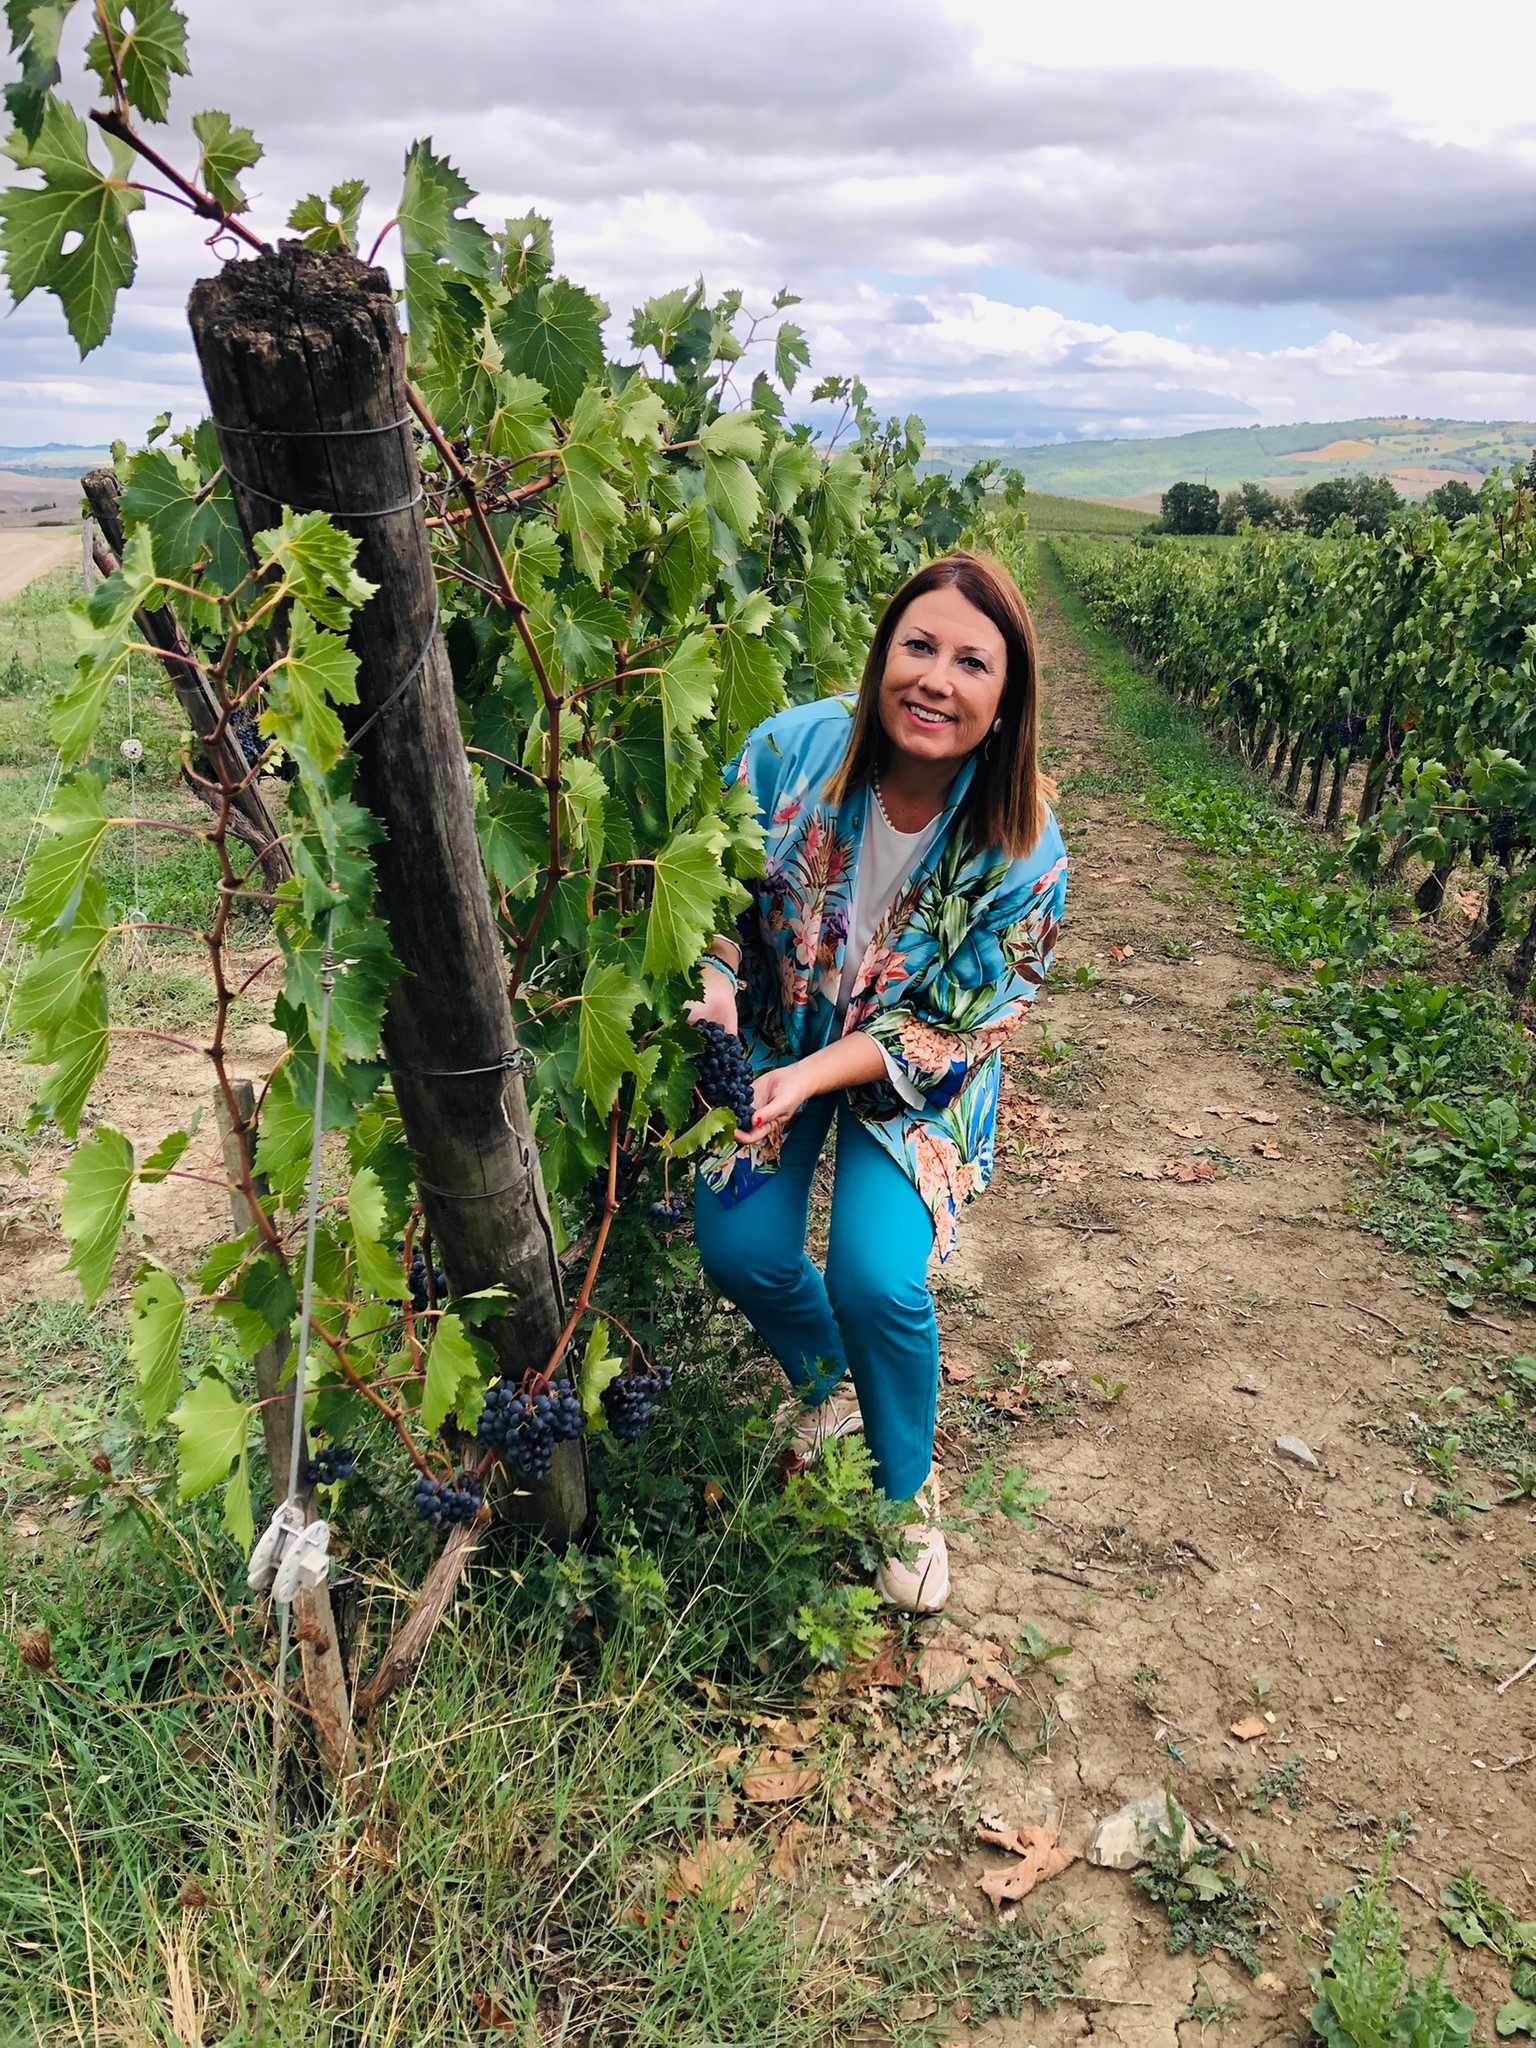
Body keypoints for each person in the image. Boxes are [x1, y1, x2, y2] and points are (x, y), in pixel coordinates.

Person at [689, 551, 1068, 1612]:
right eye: (919, 645)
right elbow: (717, 875)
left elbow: (948, 1030)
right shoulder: (789, 753)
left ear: (1006, 699)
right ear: (881, 655)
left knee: (878, 1276)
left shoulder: (1028, 853)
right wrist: (720, 976)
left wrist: (816, 1075)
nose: (935, 678)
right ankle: (829, 1391)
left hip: (918, 1079)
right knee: (740, 1243)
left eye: (971, 662)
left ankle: (904, 1496)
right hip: (775, 1028)